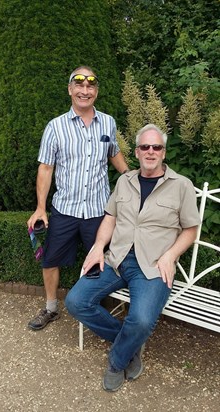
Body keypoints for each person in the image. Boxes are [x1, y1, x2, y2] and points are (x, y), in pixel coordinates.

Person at [65, 123, 201, 392]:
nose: (150, 151)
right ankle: (129, 343)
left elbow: (190, 229)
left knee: (140, 320)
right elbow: (111, 217)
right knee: (75, 301)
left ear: (163, 152)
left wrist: (170, 256)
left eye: (156, 147)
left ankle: (117, 361)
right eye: (144, 147)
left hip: (152, 265)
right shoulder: (124, 181)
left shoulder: (181, 186)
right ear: (137, 152)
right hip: (116, 260)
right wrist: (98, 246)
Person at [27, 65, 129, 331]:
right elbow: (46, 168)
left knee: (105, 261)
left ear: (96, 91)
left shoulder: (108, 122)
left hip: (99, 210)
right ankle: (51, 308)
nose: (85, 91)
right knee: (50, 260)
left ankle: (96, 307)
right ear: (70, 89)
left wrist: (131, 177)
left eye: (90, 86)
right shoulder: (55, 127)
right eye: (79, 86)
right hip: (65, 209)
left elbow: (114, 152)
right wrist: (40, 208)